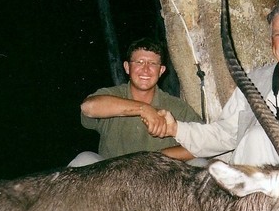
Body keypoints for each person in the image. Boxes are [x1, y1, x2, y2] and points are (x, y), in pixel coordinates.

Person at [154, 3, 279, 168]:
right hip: (259, 176)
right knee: (256, 137)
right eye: (278, 34)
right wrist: (176, 129)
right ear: (271, 41)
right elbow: (225, 133)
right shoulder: (253, 82)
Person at [68, 37, 202, 167]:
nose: (145, 69)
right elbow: (88, 107)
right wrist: (144, 109)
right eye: (139, 62)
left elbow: (202, 144)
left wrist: (154, 158)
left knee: (201, 165)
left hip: (160, 179)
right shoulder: (112, 95)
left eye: (153, 64)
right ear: (127, 67)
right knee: (84, 159)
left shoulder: (177, 107)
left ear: (161, 71)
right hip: (112, 179)